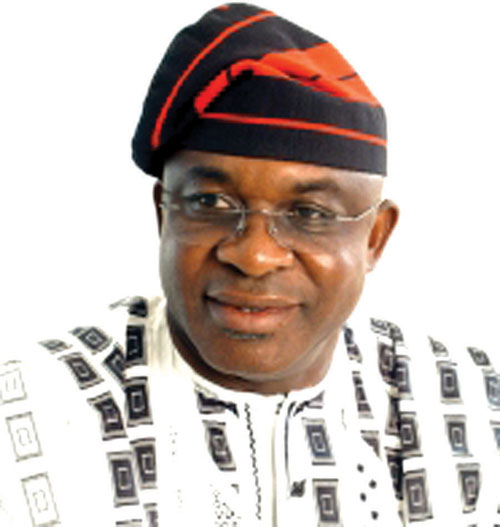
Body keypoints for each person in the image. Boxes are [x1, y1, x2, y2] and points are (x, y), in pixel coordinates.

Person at [1, 3, 499, 526]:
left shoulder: (475, 407)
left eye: (309, 213)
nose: (255, 256)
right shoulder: (30, 412)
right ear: (163, 214)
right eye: (210, 203)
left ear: (375, 238)